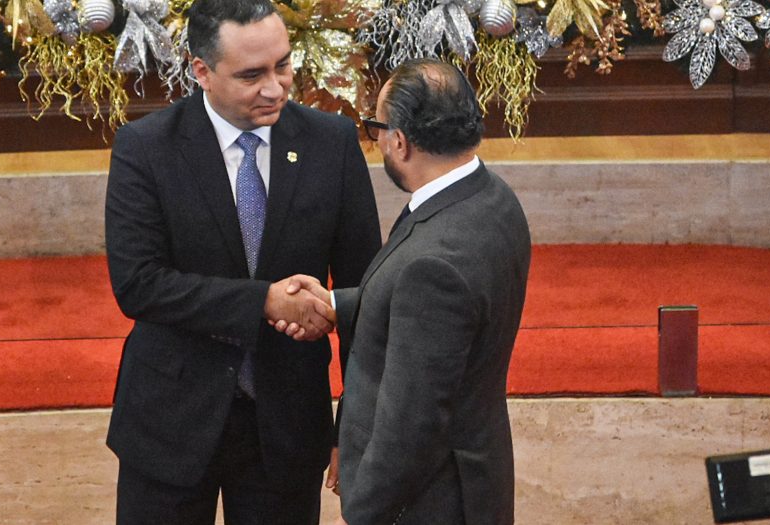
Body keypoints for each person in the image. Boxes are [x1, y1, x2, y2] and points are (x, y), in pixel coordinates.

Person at [103, 0, 382, 521]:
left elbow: (365, 294)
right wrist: (263, 302)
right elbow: (139, 284)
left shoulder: (333, 143)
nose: (275, 88)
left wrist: (356, 426)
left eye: (283, 65)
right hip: (169, 423)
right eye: (252, 75)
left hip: (288, 427)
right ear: (202, 71)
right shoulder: (146, 147)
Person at [279, 58, 531, 524]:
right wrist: (334, 304)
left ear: (399, 141)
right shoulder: (492, 197)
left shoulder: (433, 265)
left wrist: (363, 506)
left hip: (429, 505)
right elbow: (435, 317)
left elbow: (411, 426)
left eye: (377, 128)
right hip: (475, 479)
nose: (377, 142)